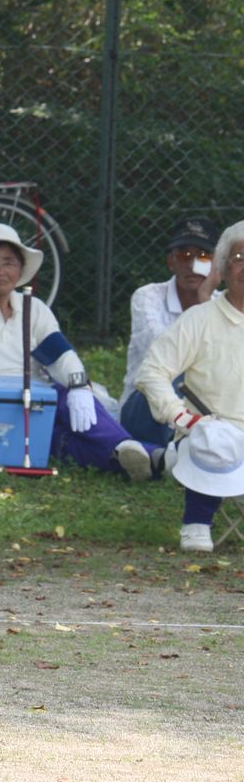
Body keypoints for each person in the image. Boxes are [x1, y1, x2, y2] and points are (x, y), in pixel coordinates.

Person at [0, 223, 161, 479]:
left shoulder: (33, 307)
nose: (0, 270)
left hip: (34, 401)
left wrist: (79, 386)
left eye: (8, 262)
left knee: (66, 404)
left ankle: (127, 449)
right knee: (54, 442)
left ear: (20, 271)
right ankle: (155, 457)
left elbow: (60, 353)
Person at [137, 220, 244, 552]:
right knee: (213, 439)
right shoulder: (200, 320)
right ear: (222, 270)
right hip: (213, 433)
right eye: (240, 257)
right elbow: (151, 372)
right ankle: (197, 523)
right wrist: (180, 416)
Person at [119, 217, 220, 445]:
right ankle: (181, 447)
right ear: (171, 262)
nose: (193, 264)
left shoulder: (223, 304)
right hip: (147, 409)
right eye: (185, 255)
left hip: (206, 413)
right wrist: (204, 306)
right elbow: (162, 354)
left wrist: (205, 298)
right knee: (179, 371)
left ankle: (175, 451)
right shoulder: (147, 296)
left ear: (217, 264)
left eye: (203, 256)